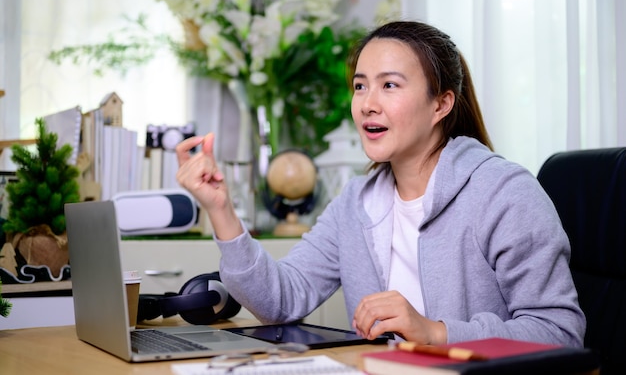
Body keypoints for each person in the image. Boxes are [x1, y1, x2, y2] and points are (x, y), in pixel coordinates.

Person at [176, 20, 585, 347]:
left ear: (441, 103)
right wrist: (220, 208)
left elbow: (559, 332)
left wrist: (435, 332)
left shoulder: (504, 193)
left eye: (389, 85)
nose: (367, 103)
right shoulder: (357, 202)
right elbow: (281, 300)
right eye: (360, 85)